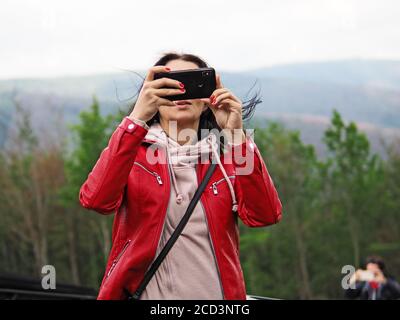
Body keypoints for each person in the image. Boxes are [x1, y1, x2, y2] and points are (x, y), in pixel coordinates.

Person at [79, 52, 283, 300]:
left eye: (191, 84)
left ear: (209, 95)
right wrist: (136, 119)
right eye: (169, 85)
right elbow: (96, 200)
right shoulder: (131, 155)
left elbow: (265, 215)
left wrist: (236, 136)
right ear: (151, 94)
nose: (180, 93)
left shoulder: (227, 160)